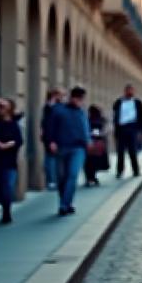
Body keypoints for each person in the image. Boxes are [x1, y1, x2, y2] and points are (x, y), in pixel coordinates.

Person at [44, 86, 90, 216]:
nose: (80, 102)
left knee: (72, 175)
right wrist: (51, 141)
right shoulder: (58, 110)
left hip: (78, 148)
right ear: (72, 98)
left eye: (82, 99)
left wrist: (88, 141)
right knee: (61, 178)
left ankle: (64, 205)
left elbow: (85, 128)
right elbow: (49, 126)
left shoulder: (81, 112)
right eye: (79, 99)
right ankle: (67, 202)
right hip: (61, 147)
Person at [111, 83, 142, 178]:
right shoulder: (119, 102)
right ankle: (119, 171)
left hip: (132, 128)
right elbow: (115, 115)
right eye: (128, 90)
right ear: (125, 91)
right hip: (121, 128)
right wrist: (115, 129)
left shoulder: (137, 102)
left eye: (132, 90)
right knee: (120, 151)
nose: (130, 92)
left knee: (132, 150)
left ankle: (136, 170)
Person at [40, 89, 63, 190]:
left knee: (53, 159)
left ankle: (53, 180)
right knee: (50, 158)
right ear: (55, 95)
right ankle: (51, 181)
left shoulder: (55, 106)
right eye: (61, 95)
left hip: (55, 136)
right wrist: (50, 139)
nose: (62, 97)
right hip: (50, 136)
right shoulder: (50, 107)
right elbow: (47, 123)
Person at [84, 105, 110, 187]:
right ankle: (92, 178)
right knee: (93, 161)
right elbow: (106, 130)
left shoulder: (88, 119)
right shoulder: (100, 120)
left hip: (92, 143)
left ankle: (90, 178)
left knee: (89, 162)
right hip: (97, 143)